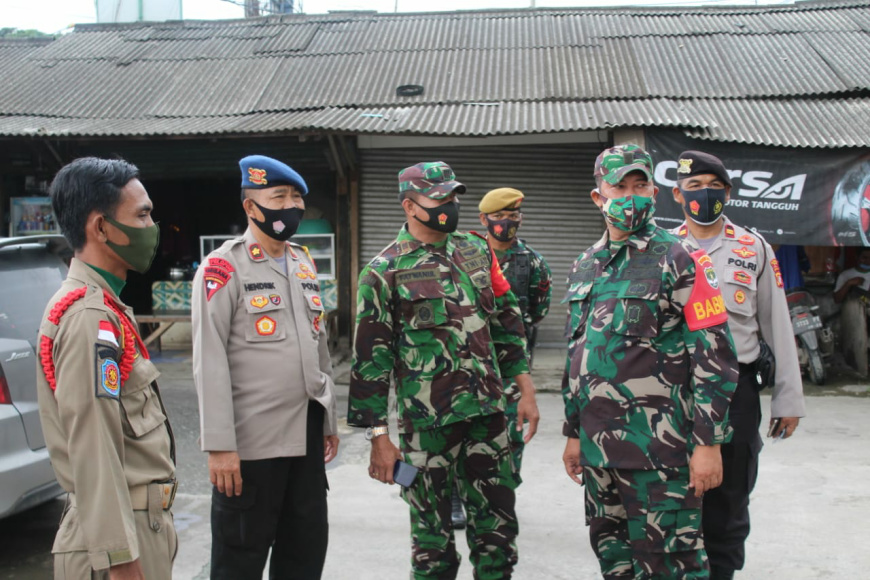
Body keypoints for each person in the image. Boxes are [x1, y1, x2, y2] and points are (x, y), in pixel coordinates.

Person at [348, 161, 540, 579]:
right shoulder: (382, 272)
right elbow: (370, 363)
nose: (449, 206)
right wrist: (379, 438)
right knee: (432, 546)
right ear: (409, 206)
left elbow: (506, 318)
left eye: (453, 197)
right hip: (428, 429)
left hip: (489, 419)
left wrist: (525, 389)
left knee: (498, 537)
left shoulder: (476, 249)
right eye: (439, 199)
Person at [561, 145, 739, 580]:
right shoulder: (585, 265)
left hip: (662, 453)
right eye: (619, 186)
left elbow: (714, 355)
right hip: (599, 451)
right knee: (615, 562)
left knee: (672, 567)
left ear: (654, 192)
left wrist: (708, 443)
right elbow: (576, 356)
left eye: (640, 185)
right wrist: (572, 433)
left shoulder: (682, 259)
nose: (631, 195)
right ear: (598, 196)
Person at [191, 155, 339, 579]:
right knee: (240, 558)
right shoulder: (224, 267)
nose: (290, 206)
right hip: (251, 446)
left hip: (306, 437)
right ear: (250, 207)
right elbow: (209, 358)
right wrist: (219, 446)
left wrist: (329, 419)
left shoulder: (303, 262)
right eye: (278, 196)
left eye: (296, 198)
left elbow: (319, 343)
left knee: (304, 552)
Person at [36, 157, 177, 579]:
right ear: (100, 227)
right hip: (119, 544)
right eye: (142, 214)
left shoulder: (107, 308)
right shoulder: (88, 319)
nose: (152, 226)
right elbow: (93, 448)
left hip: (138, 527)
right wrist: (121, 560)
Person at [671, 150, 806, 579]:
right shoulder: (664, 249)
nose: (704, 195)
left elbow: (777, 325)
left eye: (713, 186)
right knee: (674, 502)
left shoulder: (754, 248)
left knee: (728, 504)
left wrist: (789, 399)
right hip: (675, 393)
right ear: (677, 194)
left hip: (736, 393)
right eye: (693, 187)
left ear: (727, 192)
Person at [446, 187, 552, 527]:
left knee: (511, 437)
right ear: (483, 220)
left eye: (513, 216)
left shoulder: (532, 263)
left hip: (508, 369)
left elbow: (536, 312)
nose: (507, 222)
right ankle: (455, 499)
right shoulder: (463, 255)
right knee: (457, 433)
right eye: (499, 216)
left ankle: (502, 498)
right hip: (465, 363)